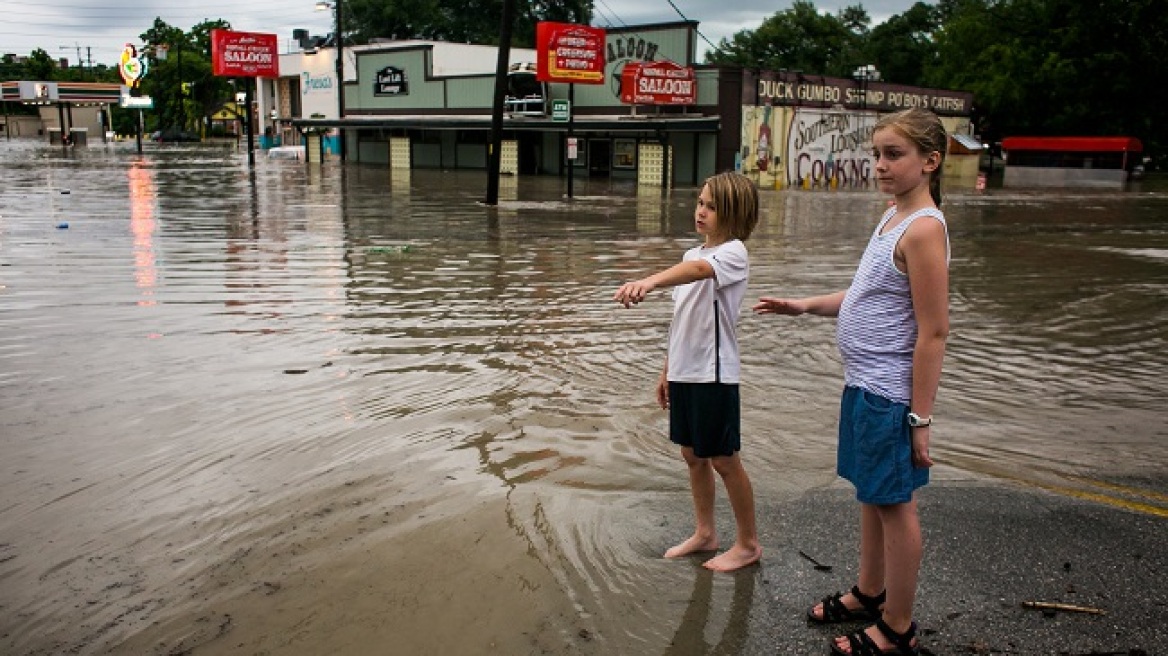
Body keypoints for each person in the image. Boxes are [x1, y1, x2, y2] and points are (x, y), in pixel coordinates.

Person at [754, 107, 950, 655]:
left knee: (895, 506)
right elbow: (863, 296)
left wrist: (920, 419)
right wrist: (803, 305)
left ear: (929, 162)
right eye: (877, 155)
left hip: (890, 396)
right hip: (862, 385)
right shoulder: (891, 217)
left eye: (894, 155)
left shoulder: (924, 230)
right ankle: (870, 591)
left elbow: (934, 333)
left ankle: (898, 627)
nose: (881, 166)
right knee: (871, 495)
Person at [614, 171, 763, 573]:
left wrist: (647, 281)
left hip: (714, 374)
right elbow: (683, 319)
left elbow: (700, 272)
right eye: (700, 202)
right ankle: (705, 533)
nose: (701, 211)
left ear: (734, 213)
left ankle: (748, 543)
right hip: (686, 372)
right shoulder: (690, 255)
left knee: (724, 459)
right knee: (692, 455)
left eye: (711, 206)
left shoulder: (733, 253)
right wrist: (667, 371)